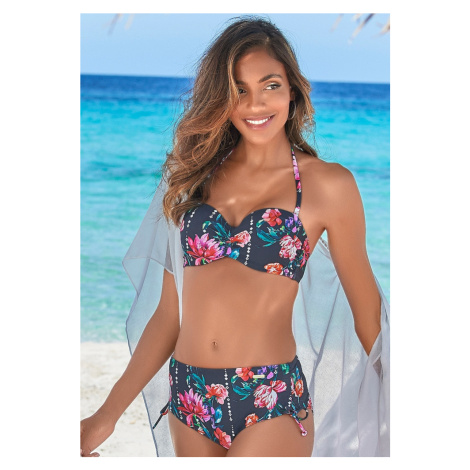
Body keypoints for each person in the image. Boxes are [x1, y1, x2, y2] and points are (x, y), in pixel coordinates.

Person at [80, 16, 390, 457]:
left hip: (270, 398)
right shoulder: (195, 177)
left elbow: (368, 315)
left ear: (293, 89)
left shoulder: (328, 186)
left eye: (270, 85)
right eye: (238, 90)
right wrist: (105, 416)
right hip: (188, 396)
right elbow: (169, 315)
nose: (255, 103)